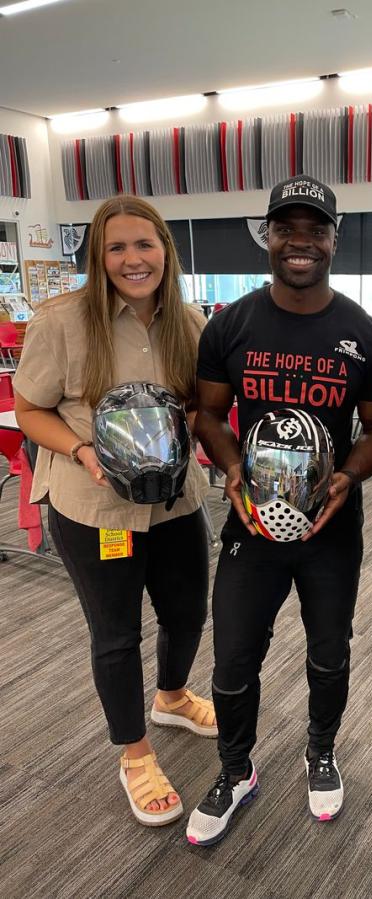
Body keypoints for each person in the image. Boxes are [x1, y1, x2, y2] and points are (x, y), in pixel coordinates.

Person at [187, 174, 372, 846]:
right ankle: (235, 768)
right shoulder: (231, 325)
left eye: (315, 230)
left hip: (329, 529)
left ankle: (320, 751)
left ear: (335, 239)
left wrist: (349, 476)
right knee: (232, 657)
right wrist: (232, 466)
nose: (299, 242)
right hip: (251, 524)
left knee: (329, 652)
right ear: (267, 236)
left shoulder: (364, 335)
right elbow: (208, 414)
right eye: (286, 229)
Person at [13, 195, 215, 827]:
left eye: (144, 244)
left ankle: (172, 696)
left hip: (177, 501)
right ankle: (135, 754)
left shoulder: (189, 322)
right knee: (117, 632)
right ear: (98, 257)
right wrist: (81, 450)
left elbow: (200, 405)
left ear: (165, 252)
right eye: (117, 247)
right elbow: (28, 409)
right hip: (95, 508)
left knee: (188, 612)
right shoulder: (62, 322)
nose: (133, 259)